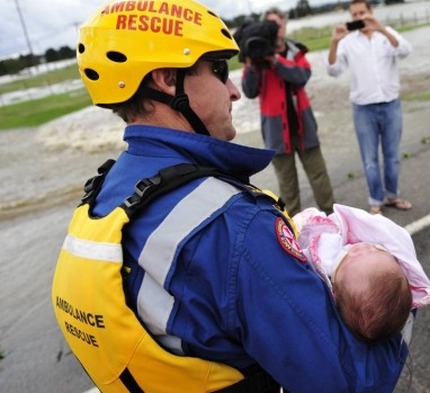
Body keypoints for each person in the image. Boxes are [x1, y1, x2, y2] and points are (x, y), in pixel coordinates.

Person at [50, 0, 408, 391]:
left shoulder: (102, 194)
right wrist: (401, 296)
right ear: (169, 79)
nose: (235, 91)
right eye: (219, 70)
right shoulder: (234, 225)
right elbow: (348, 382)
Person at [241, 7, 335, 217]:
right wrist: (253, 64)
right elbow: (249, 91)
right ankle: (293, 226)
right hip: (275, 131)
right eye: (271, 24)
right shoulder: (255, 56)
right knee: (287, 183)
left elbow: (302, 76)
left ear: (285, 25)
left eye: (279, 23)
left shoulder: (296, 51)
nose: (277, 28)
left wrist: (274, 59)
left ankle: (332, 216)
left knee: (319, 176)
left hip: (304, 126)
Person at [293, 204, 430, 341]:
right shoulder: (350, 276)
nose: (363, 247)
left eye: (352, 254)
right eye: (377, 249)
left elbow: (305, 228)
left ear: (335, 292)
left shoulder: (325, 258)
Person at [326, 0, 413, 216]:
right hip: (363, 108)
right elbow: (333, 70)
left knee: (392, 156)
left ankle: (392, 196)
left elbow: (405, 51)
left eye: (362, 13)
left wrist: (381, 28)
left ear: (371, 12)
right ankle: (376, 200)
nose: (358, 18)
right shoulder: (347, 41)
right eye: (354, 15)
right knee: (370, 159)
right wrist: (334, 42)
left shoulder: (386, 33)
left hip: (391, 103)